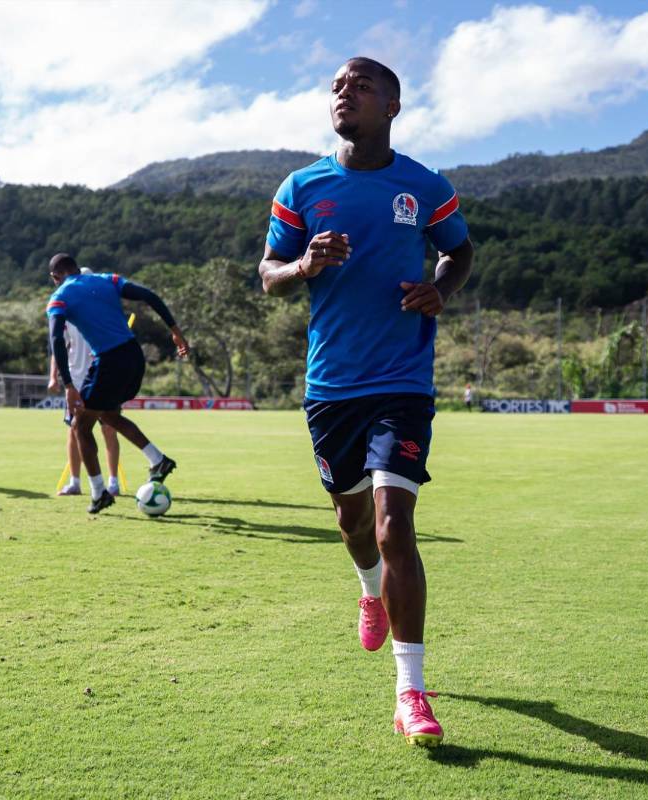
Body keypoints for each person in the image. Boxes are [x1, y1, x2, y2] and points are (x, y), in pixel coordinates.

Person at [258, 57, 473, 747]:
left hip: (403, 381)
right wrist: (304, 265)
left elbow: (459, 252)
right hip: (331, 388)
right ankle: (367, 587)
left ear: (393, 104)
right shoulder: (303, 186)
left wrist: (443, 288)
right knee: (354, 525)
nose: (343, 93)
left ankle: (411, 692)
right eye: (336, 87)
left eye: (361, 85)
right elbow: (269, 277)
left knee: (392, 521)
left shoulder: (424, 184)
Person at [45, 253, 190, 514]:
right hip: (134, 357)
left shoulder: (59, 296)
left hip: (109, 361)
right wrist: (175, 332)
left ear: (55, 277)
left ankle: (99, 492)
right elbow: (150, 295)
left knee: (80, 425)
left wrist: (68, 385)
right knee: (109, 416)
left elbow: (56, 340)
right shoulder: (107, 279)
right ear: (77, 269)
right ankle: (158, 460)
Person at [48, 274, 122, 497]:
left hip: (104, 376)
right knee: (74, 430)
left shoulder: (103, 313)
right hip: (77, 380)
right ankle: (75, 482)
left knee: (109, 428)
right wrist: (54, 376)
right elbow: (59, 346)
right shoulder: (66, 313)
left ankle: (113, 483)